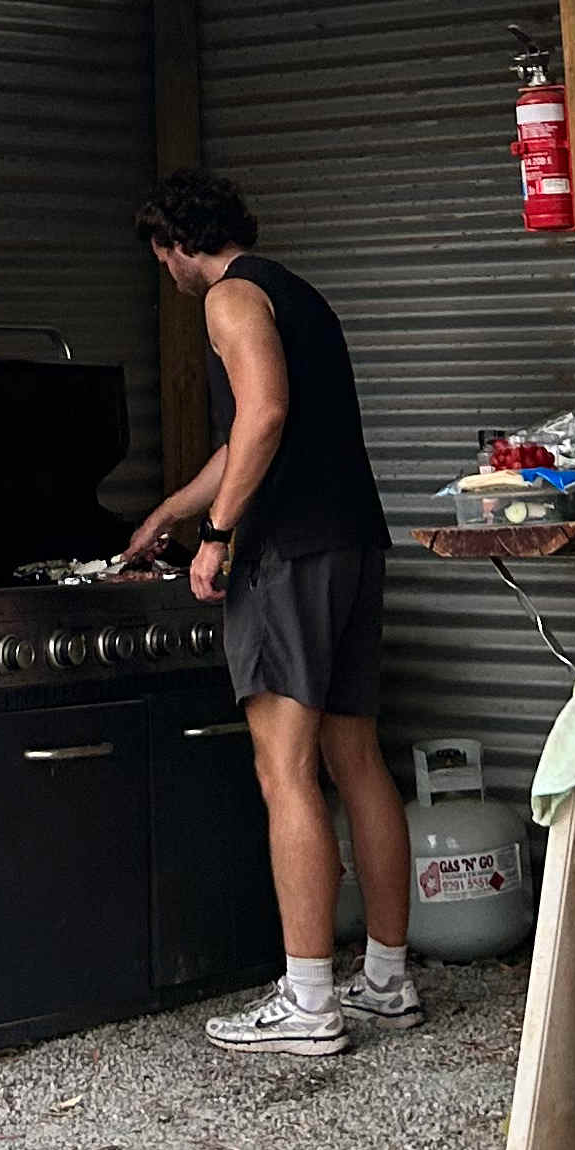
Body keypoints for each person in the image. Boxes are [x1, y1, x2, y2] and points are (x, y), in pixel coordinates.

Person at [123, 169, 417, 1058]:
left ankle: (308, 999)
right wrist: (170, 512)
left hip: (288, 553)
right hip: (352, 540)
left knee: (283, 768)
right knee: (355, 757)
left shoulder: (230, 298)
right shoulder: (298, 294)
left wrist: (215, 536)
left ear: (176, 244)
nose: (165, 273)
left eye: (161, 256)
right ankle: (387, 980)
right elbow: (244, 436)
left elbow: (264, 416)